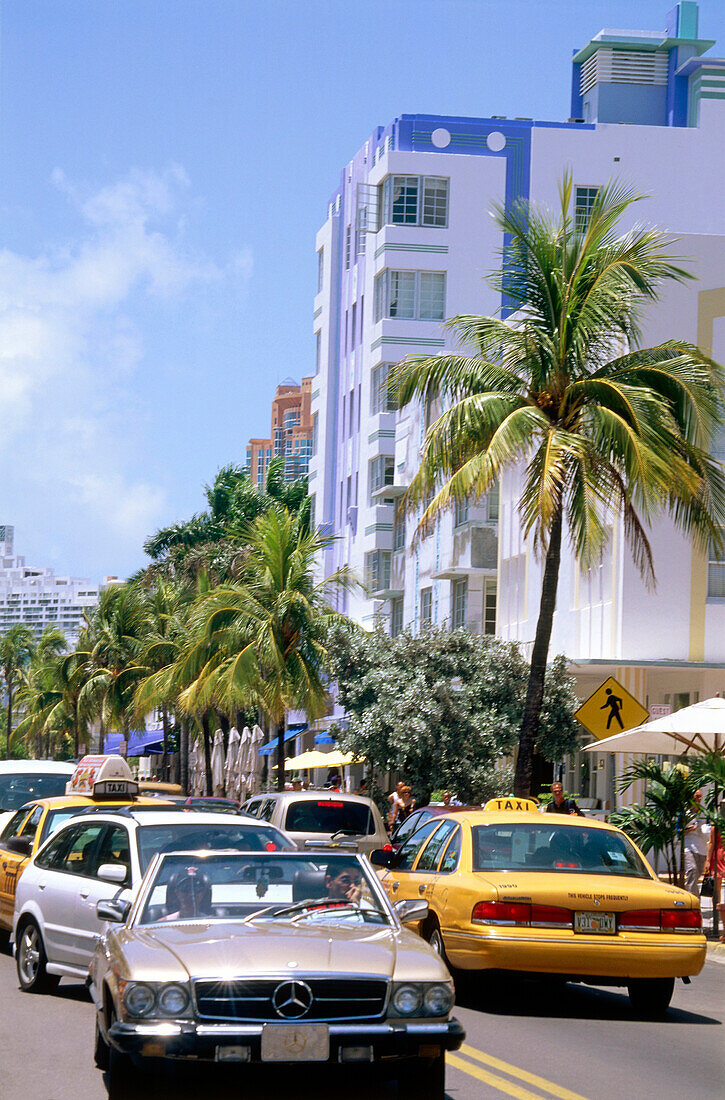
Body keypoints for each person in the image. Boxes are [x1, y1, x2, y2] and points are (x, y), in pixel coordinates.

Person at [684, 789, 710, 895]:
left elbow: (709, 827)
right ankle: (693, 900)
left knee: (697, 873)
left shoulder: (704, 813)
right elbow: (677, 830)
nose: (699, 799)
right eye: (697, 796)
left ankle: (692, 896)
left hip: (702, 849)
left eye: (700, 796)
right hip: (688, 847)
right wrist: (687, 829)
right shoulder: (685, 813)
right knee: (692, 871)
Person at [705, 804, 725, 942]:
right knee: (716, 887)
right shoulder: (716, 826)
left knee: (717, 887)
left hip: (720, 854)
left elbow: (711, 843)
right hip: (719, 855)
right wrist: (707, 860)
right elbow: (711, 843)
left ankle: (718, 913)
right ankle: (717, 914)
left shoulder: (717, 826)